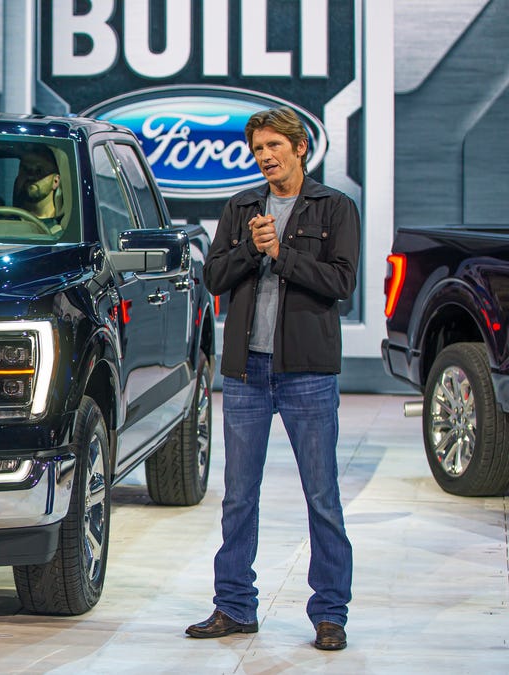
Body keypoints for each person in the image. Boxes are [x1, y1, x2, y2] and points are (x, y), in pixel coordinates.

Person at [188, 107, 359, 651]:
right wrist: (247, 248)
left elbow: (341, 283)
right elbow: (214, 276)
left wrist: (280, 253)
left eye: (273, 146)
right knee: (238, 496)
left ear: (300, 147)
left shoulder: (334, 207)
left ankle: (330, 613)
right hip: (246, 372)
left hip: (305, 372)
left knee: (322, 496)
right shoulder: (240, 208)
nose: (265, 156)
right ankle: (234, 606)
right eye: (257, 148)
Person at [12, 148, 61, 224]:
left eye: (39, 171)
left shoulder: (65, 226)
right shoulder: (5, 223)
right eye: (25, 170)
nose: (30, 176)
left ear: (55, 181)